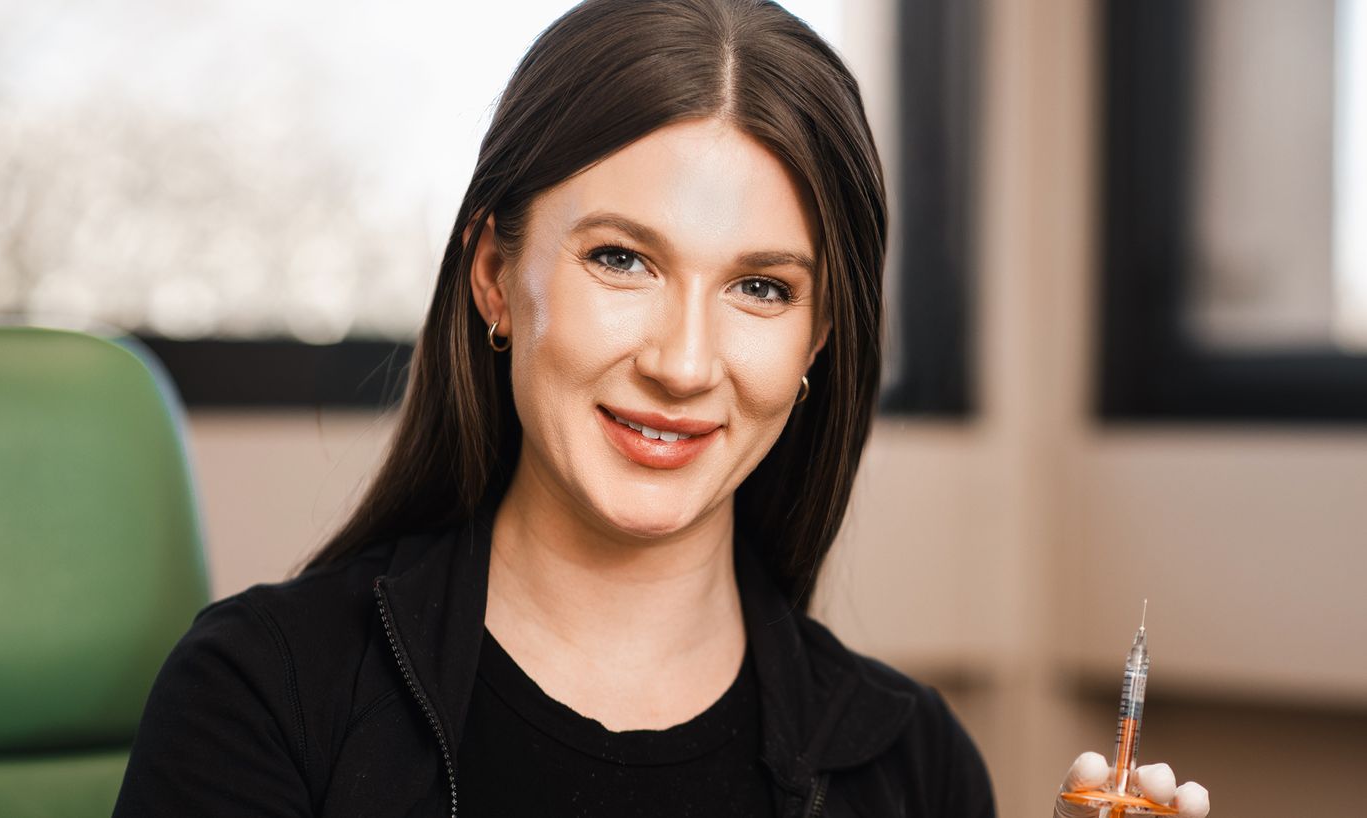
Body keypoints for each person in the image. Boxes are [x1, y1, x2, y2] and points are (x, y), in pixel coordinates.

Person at [113, 0, 1210, 816]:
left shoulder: (910, 766)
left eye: (761, 287)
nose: (685, 363)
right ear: (494, 275)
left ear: (818, 338)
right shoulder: (262, 696)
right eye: (624, 259)